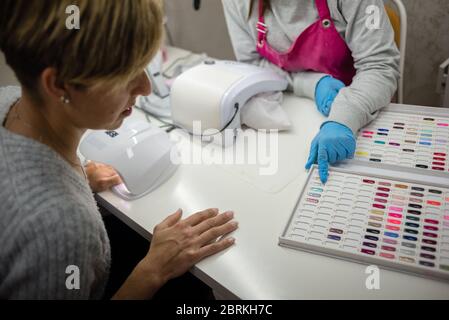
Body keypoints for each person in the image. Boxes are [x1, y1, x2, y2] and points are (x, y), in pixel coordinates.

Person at [0, 0, 238, 299]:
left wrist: (76, 178)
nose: (146, 88)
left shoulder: (7, 99)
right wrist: (153, 270)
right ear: (60, 85)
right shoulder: (61, 230)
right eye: (127, 74)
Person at [222, 0, 400, 182]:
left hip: (362, 108)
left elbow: (379, 66)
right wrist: (308, 84)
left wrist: (345, 117)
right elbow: (254, 65)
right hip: (293, 110)